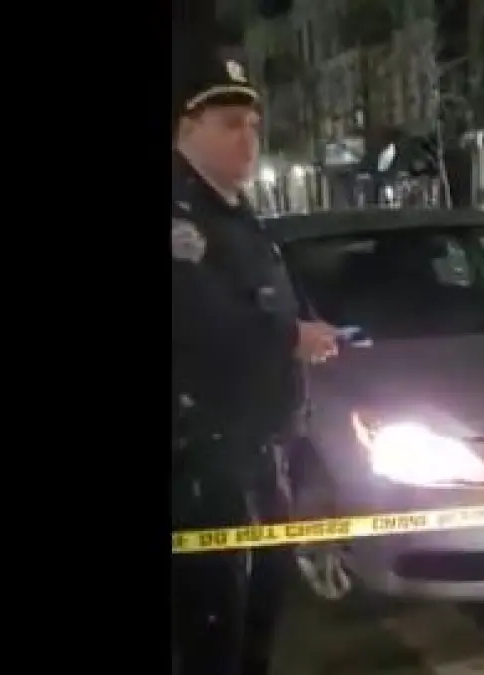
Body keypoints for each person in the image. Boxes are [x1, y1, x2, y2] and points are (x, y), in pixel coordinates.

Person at [171, 48, 339, 675]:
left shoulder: (236, 211)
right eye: (229, 124)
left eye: (253, 125)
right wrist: (290, 337)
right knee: (214, 631)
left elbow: (270, 294)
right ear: (187, 129)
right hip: (205, 466)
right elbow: (195, 320)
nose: (248, 139)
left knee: (260, 618)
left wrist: (308, 329)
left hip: (263, 452)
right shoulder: (180, 215)